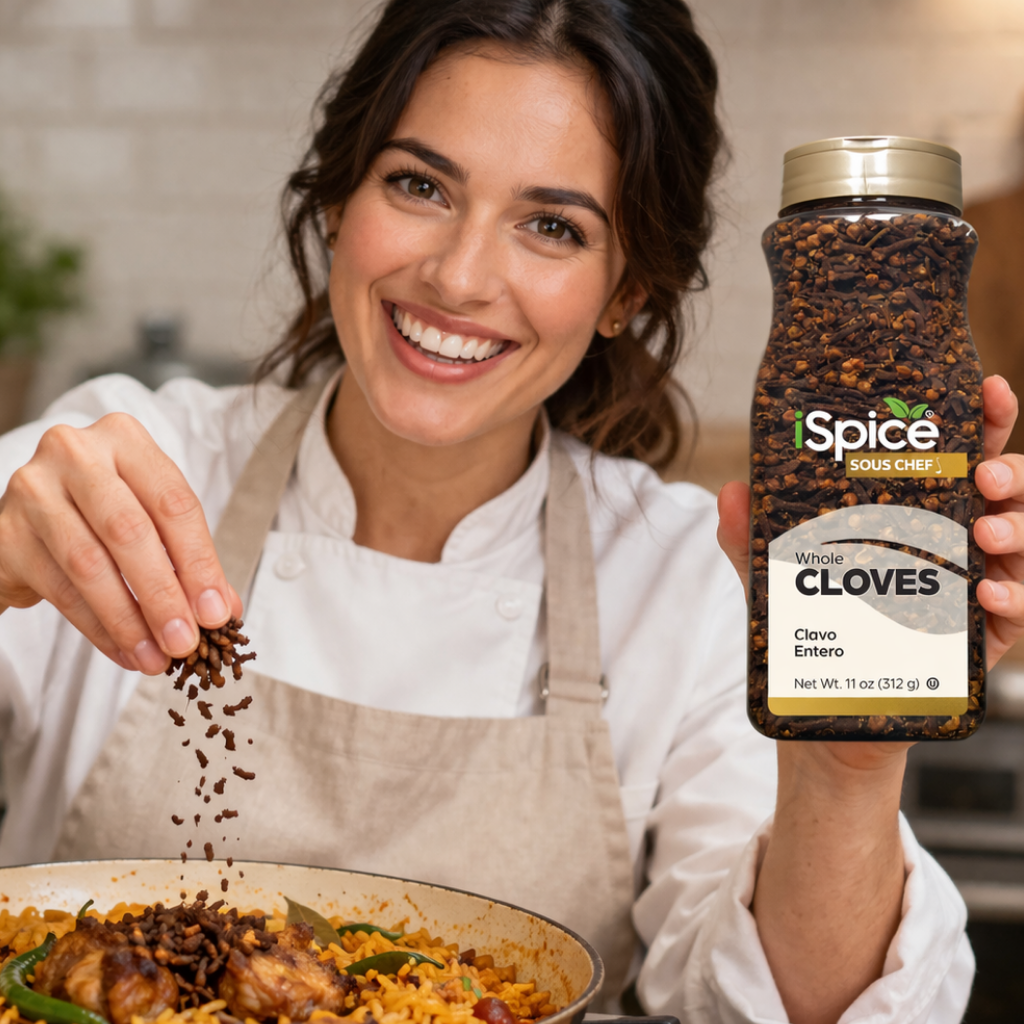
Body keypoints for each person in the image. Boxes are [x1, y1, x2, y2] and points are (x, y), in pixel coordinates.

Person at [0, 1, 1019, 1021]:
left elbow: (787, 1011)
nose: (458, 276)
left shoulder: (679, 580)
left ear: (627, 290)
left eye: (551, 226)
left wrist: (846, 762)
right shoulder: (125, 469)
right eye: (417, 184)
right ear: (335, 202)